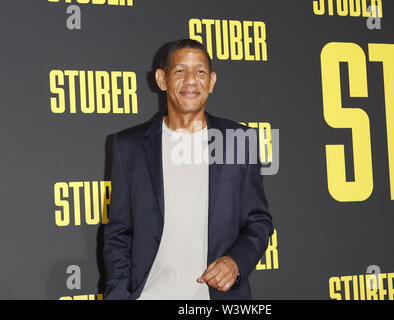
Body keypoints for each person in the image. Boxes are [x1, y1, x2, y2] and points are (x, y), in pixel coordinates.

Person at [103, 39, 274, 300]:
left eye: (200, 71)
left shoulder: (239, 140)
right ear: (162, 79)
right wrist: (118, 294)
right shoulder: (129, 146)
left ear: (212, 81)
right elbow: (118, 233)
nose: (191, 80)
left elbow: (259, 223)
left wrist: (235, 262)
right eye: (180, 71)